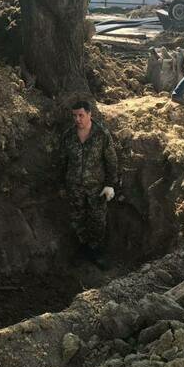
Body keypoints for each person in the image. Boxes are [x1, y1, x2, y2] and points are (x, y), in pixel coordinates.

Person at [60, 101, 118, 268]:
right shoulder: (69, 136)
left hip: (96, 188)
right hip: (74, 187)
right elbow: (62, 162)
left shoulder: (101, 134)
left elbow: (111, 161)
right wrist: (62, 185)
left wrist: (110, 184)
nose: (77, 119)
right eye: (74, 116)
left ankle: (97, 252)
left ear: (89, 114)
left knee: (97, 220)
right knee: (78, 219)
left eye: (81, 115)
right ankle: (83, 249)